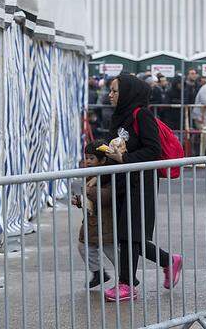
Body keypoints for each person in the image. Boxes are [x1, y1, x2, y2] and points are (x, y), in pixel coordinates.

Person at [103, 74, 182, 302]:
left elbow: (153, 151)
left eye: (115, 91)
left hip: (141, 184)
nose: (110, 95)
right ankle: (167, 260)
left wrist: (124, 158)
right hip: (121, 182)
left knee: (130, 234)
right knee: (127, 234)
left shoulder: (142, 115)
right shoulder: (118, 117)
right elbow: (112, 148)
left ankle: (127, 284)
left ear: (128, 92)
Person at [72, 140, 117, 288]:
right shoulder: (89, 175)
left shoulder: (107, 176)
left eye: (92, 158)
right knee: (83, 247)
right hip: (92, 224)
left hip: (106, 224)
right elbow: (88, 200)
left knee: (112, 253)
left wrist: (90, 192)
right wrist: (79, 201)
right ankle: (98, 273)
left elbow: (108, 196)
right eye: (86, 158)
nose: (88, 161)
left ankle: (126, 277)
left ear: (103, 160)